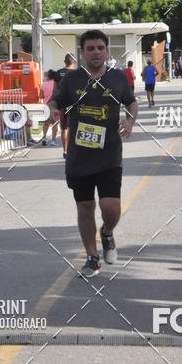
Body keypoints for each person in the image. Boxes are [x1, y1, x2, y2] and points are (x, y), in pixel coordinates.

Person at [48, 29, 137, 278]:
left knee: (111, 208)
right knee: (85, 206)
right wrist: (54, 111)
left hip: (109, 155)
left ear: (106, 50)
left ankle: (107, 233)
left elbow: (131, 102)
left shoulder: (117, 78)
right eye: (90, 48)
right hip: (80, 157)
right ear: (83, 52)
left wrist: (129, 121)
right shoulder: (71, 79)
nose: (95, 52)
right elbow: (55, 100)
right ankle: (92, 258)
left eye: (100, 47)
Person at [55, 53, 77, 157]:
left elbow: (54, 91)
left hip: (62, 105)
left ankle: (65, 151)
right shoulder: (78, 73)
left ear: (65, 62)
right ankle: (74, 150)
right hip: (74, 105)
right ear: (74, 62)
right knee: (74, 128)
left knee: (64, 128)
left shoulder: (58, 73)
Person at [40, 70, 59, 146]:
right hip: (55, 106)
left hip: (46, 106)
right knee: (55, 124)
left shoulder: (43, 85)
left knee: (46, 123)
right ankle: (53, 140)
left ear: (48, 76)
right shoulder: (57, 85)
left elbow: (41, 96)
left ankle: (44, 138)